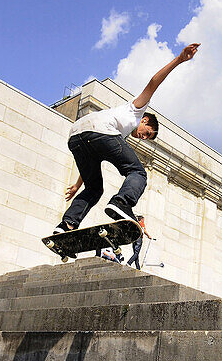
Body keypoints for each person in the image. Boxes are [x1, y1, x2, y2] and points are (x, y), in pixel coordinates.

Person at [55, 44, 200, 238]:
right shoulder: (136, 110)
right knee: (138, 172)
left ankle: (67, 224)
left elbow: (92, 156)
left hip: (77, 136)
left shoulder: (117, 133)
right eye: (147, 133)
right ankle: (121, 203)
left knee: (93, 187)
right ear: (146, 120)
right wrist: (179, 59)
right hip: (100, 133)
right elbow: (152, 84)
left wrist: (77, 184)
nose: (143, 137)